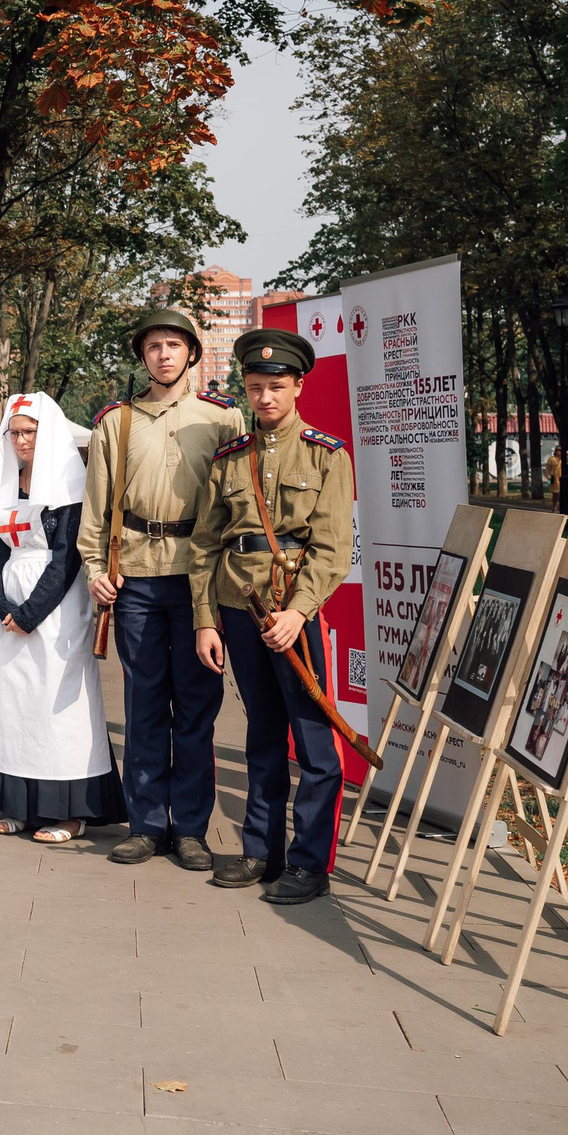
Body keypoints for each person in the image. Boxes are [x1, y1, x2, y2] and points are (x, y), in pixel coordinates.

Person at [191, 327, 357, 905]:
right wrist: (206, 620)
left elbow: (334, 548)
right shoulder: (229, 457)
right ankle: (263, 851)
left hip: (295, 616)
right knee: (261, 731)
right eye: (255, 387)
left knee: (313, 742)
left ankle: (311, 863)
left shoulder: (327, 455)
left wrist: (300, 611)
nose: (264, 398)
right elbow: (205, 545)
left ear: (298, 386)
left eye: (276, 386)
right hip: (240, 608)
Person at [78, 307, 242, 870]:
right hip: (138, 578)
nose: (164, 354)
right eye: (154, 346)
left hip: (202, 582)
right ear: (142, 355)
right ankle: (146, 824)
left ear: (192, 353)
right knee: (145, 705)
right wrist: (95, 567)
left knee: (196, 708)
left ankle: (192, 829)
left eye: (175, 344)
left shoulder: (223, 420)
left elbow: (239, 507)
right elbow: (97, 504)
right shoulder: (115, 422)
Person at [0, 392, 123, 844]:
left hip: (57, 613)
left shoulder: (67, 482)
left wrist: (30, 613)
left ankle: (69, 813)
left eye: (30, 432)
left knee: (59, 709)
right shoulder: (5, 483)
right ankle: (19, 805)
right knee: (14, 707)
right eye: (14, 432)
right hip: (11, 620)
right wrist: (4, 607)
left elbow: (67, 558)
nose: (21, 441)